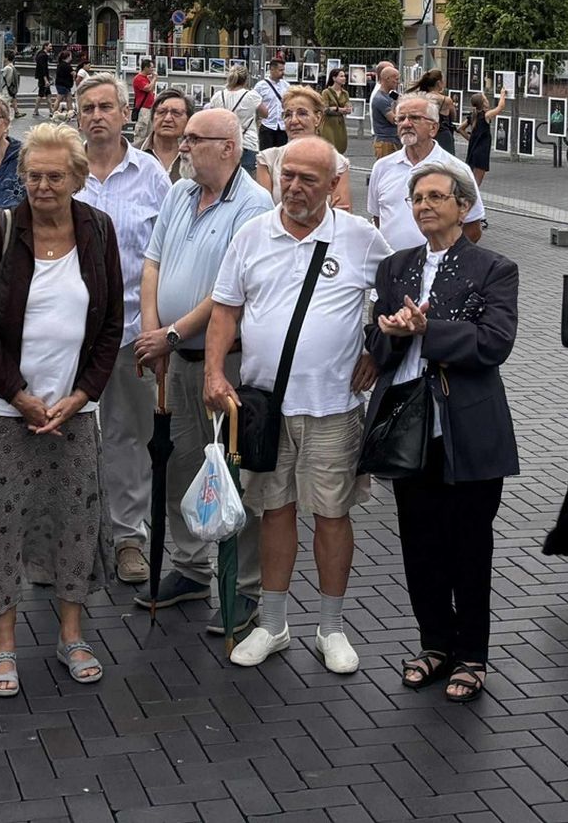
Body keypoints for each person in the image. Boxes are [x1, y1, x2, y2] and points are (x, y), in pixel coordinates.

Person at [0, 123, 123, 696]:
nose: (43, 185)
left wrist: (83, 394)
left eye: (55, 176)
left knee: (74, 521)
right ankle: (2, 645)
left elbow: (111, 321)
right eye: (34, 175)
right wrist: (17, 394)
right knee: (2, 524)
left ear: (76, 177)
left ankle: (72, 635)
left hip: (74, 411)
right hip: (4, 406)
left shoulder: (98, 228)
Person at [205, 137, 391, 674]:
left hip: (333, 405)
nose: (294, 187)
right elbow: (225, 310)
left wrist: (377, 354)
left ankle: (331, 628)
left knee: (332, 516)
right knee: (273, 511)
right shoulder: (252, 233)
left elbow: (394, 298)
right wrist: (215, 372)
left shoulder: (361, 238)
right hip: (265, 406)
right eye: (289, 175)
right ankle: (273, 624)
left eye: (309, 179)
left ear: (334, 184)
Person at [365, 162, 519, 705]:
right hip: (408, 424)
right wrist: (388, 333)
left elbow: (494, 343)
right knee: (419, 541)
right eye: (417, 198)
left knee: (470, 544)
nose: (425, 205)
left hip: (468, 427)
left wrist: (429, 331)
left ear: (462, 206)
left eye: (437, 196)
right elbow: (378, 349)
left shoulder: (493, 267)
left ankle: (472, 655)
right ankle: (434, 644)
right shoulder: (395, 267)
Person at [131, 107, 276, 630]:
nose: (185, 146)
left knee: (233, 475)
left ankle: (243, 588)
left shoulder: (254, 206)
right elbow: (153, 262)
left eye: (196, 138)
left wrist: (170, 334)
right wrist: (154, 331)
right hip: (172, 356)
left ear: (230, 147)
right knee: (180, 464)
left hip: (222, 363)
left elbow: (227, 294)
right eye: (185, 138)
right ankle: (190, 570)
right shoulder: (179, 193)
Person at [71, 72, 171, 586]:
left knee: (130, 435)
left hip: (133, 329)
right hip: (70, 334)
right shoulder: (67, 170)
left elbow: (165, 254)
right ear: (77, 116)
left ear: (126, 113)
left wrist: (158, 328)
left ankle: (128, 535)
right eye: (88, 108)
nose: (97, 116)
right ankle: (65, 537)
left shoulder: (152, 174)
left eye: (106, 107)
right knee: (64, 434)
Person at [365, 93, 485, 248]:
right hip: (391, 266)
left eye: (415, 118)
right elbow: (378, 218)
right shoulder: (382, 167)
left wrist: (443, 257)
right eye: (400, 119)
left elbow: (473, 228)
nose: (406, 124)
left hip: (437, 268)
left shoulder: (456, 170)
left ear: (433, 128)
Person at [255, 86, 354, 212]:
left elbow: (342, 215)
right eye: (288, 115)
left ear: (318, 118)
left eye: (302, 113)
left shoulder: (337, 162)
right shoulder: (268, 160)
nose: (294, 120)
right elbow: (263, 214)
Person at [134, 87, 191, 181]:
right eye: (161, 112)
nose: (168, 119)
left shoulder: (195, 157)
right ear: (152, 117)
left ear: (188, 120)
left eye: (176, 113)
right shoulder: (132, 154)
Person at [212, 64, 260, 172]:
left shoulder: (218, 96)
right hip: (247, 142)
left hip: (223, 142)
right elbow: (266, 113)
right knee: (245, 181)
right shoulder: (251, 96)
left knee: (223, 178)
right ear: (246, 80)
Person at [463, 86, 506, 189]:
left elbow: (460, 128)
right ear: (484, 103)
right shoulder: (485, 115)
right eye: (486, 99)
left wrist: (471, 139)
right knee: (476, 184)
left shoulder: (473, 115)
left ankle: (467, 199)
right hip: (482, 152)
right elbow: (500, 107)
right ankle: (469, 202)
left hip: (473, 151)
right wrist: (502, 95)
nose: (488, 100)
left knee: (471, 180)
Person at [410, 69, 458, 155]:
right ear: (439, 83)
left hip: (425, 133)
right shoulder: (445, 100)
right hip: (442, 134)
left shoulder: (420, 97)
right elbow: (453, 116)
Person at [253, 55, 289, 150]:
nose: (283, 73)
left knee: (280, 156)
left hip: (282, 127)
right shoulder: (260, 86)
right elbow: (253, 103)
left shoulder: (286, 86)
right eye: (280, 70)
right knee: (266, 156)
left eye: (283, 70)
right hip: (267, 126)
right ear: (272, 69)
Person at [369, 63, 402, 160]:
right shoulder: (380, 98)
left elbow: (402, 99)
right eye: (395, 79)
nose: (398, 82)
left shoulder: (391, 93)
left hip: (394, 140)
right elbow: (394, 120)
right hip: (386, 142)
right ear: (387, 79)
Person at [317, 65, 350, 156]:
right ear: (334, 78)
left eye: (344, 76)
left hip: (340, 124)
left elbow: (348, 105)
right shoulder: (326, 92)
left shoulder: (345, 93)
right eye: (341, 76)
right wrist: (338, 109)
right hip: (329, 123)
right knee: (329, 149)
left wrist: (348, 109)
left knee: (340, 147)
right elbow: (326, 109)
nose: (344, 78)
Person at [130, 59, 156, 129]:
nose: (152, 70)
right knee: (142, 131)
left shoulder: (145, 78)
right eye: (151, 67)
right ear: (145, 68)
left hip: (149, 108)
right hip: (143, 108)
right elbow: (148, 88)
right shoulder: (139, 78)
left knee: (148, 131)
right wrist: (154, 79)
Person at [53, 45, 76, 116]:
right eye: (70, 56)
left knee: (69, 99)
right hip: (63, 84)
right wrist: (74, 78)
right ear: (68, 57)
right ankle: (54, 112)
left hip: (62, 84)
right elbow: (73, 73)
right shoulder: (67, 66)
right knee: (59, 98)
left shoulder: (60, 64)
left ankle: (71, 112)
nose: (71, 57)